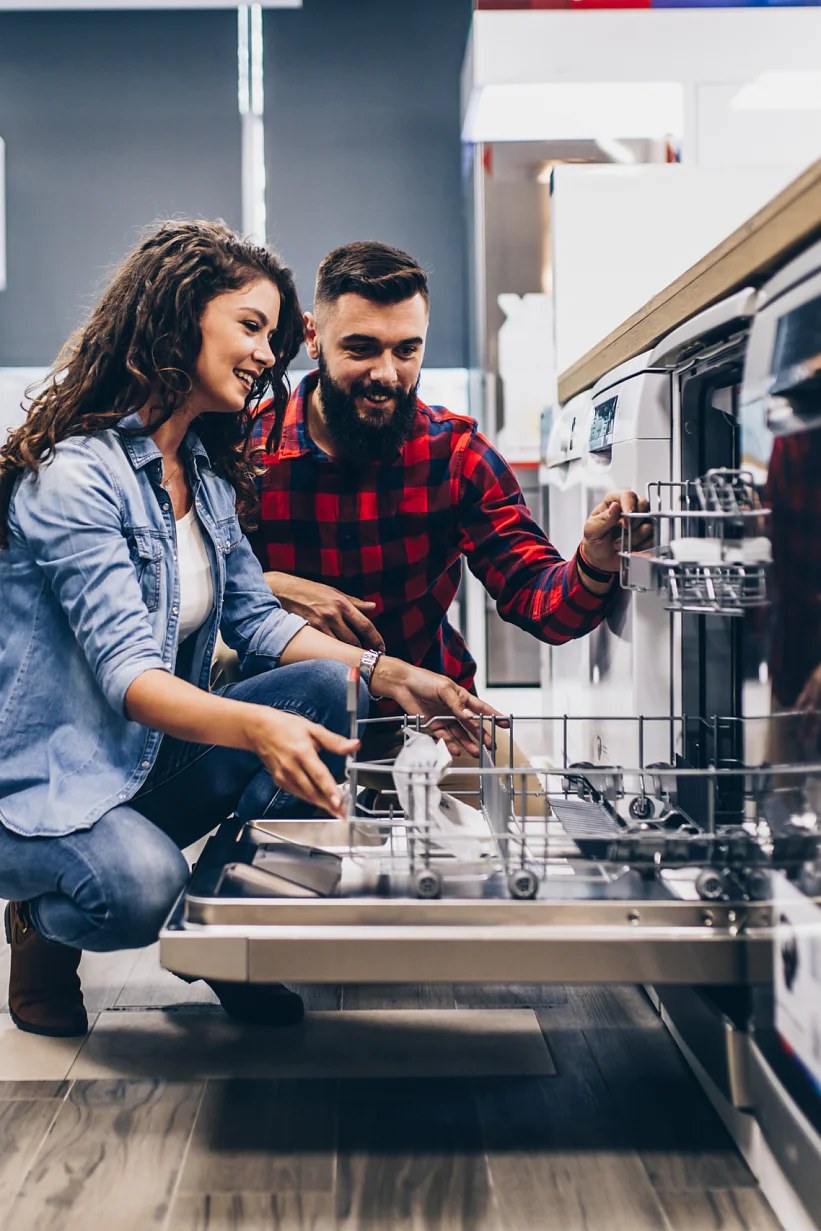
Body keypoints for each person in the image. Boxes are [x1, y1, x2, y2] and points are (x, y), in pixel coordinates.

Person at [0, 222, 500, 1037]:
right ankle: (40, 922)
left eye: (273, 333)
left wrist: (391, 673)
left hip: (139, 765)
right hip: (42, 785)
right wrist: (260, 724)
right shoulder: (76, 475)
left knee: (331, 684)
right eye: (250, 326)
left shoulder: (199, 468)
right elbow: (133, 679)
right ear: (176, 317)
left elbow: (256, 617)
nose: (270, 354)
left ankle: (232, 934)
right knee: (137, 890)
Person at [252, 241, 650, 739]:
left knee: (525, 808)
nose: (385, 374)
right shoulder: (247, 452)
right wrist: (266, 586)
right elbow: (191, 594)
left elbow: (542, 603)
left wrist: (594, 561)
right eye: (361, 348)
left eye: (406, 350)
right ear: (313, 336)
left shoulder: (456, 456)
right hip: (283, 722)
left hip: (432, 721)